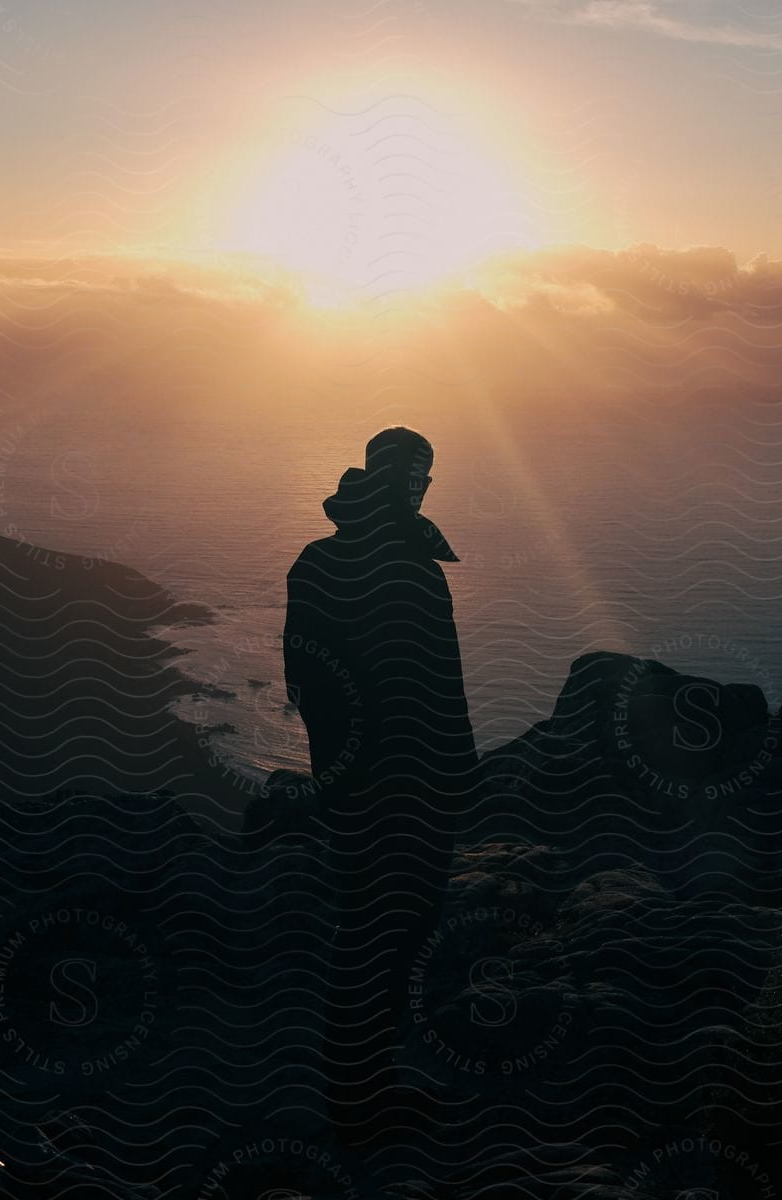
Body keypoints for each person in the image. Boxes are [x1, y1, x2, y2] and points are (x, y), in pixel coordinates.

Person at [283, 426, 478, 1149]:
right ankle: (360, 1103)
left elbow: (305, 685)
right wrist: (456, 776)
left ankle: (360, 1088)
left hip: (361, 784)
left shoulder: (316, 564)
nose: (421, 489)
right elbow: (438, 690)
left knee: (377, 932)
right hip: (407, 788)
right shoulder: (413, 570)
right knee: (389, 934)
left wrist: (339, 770)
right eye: (416, 477)